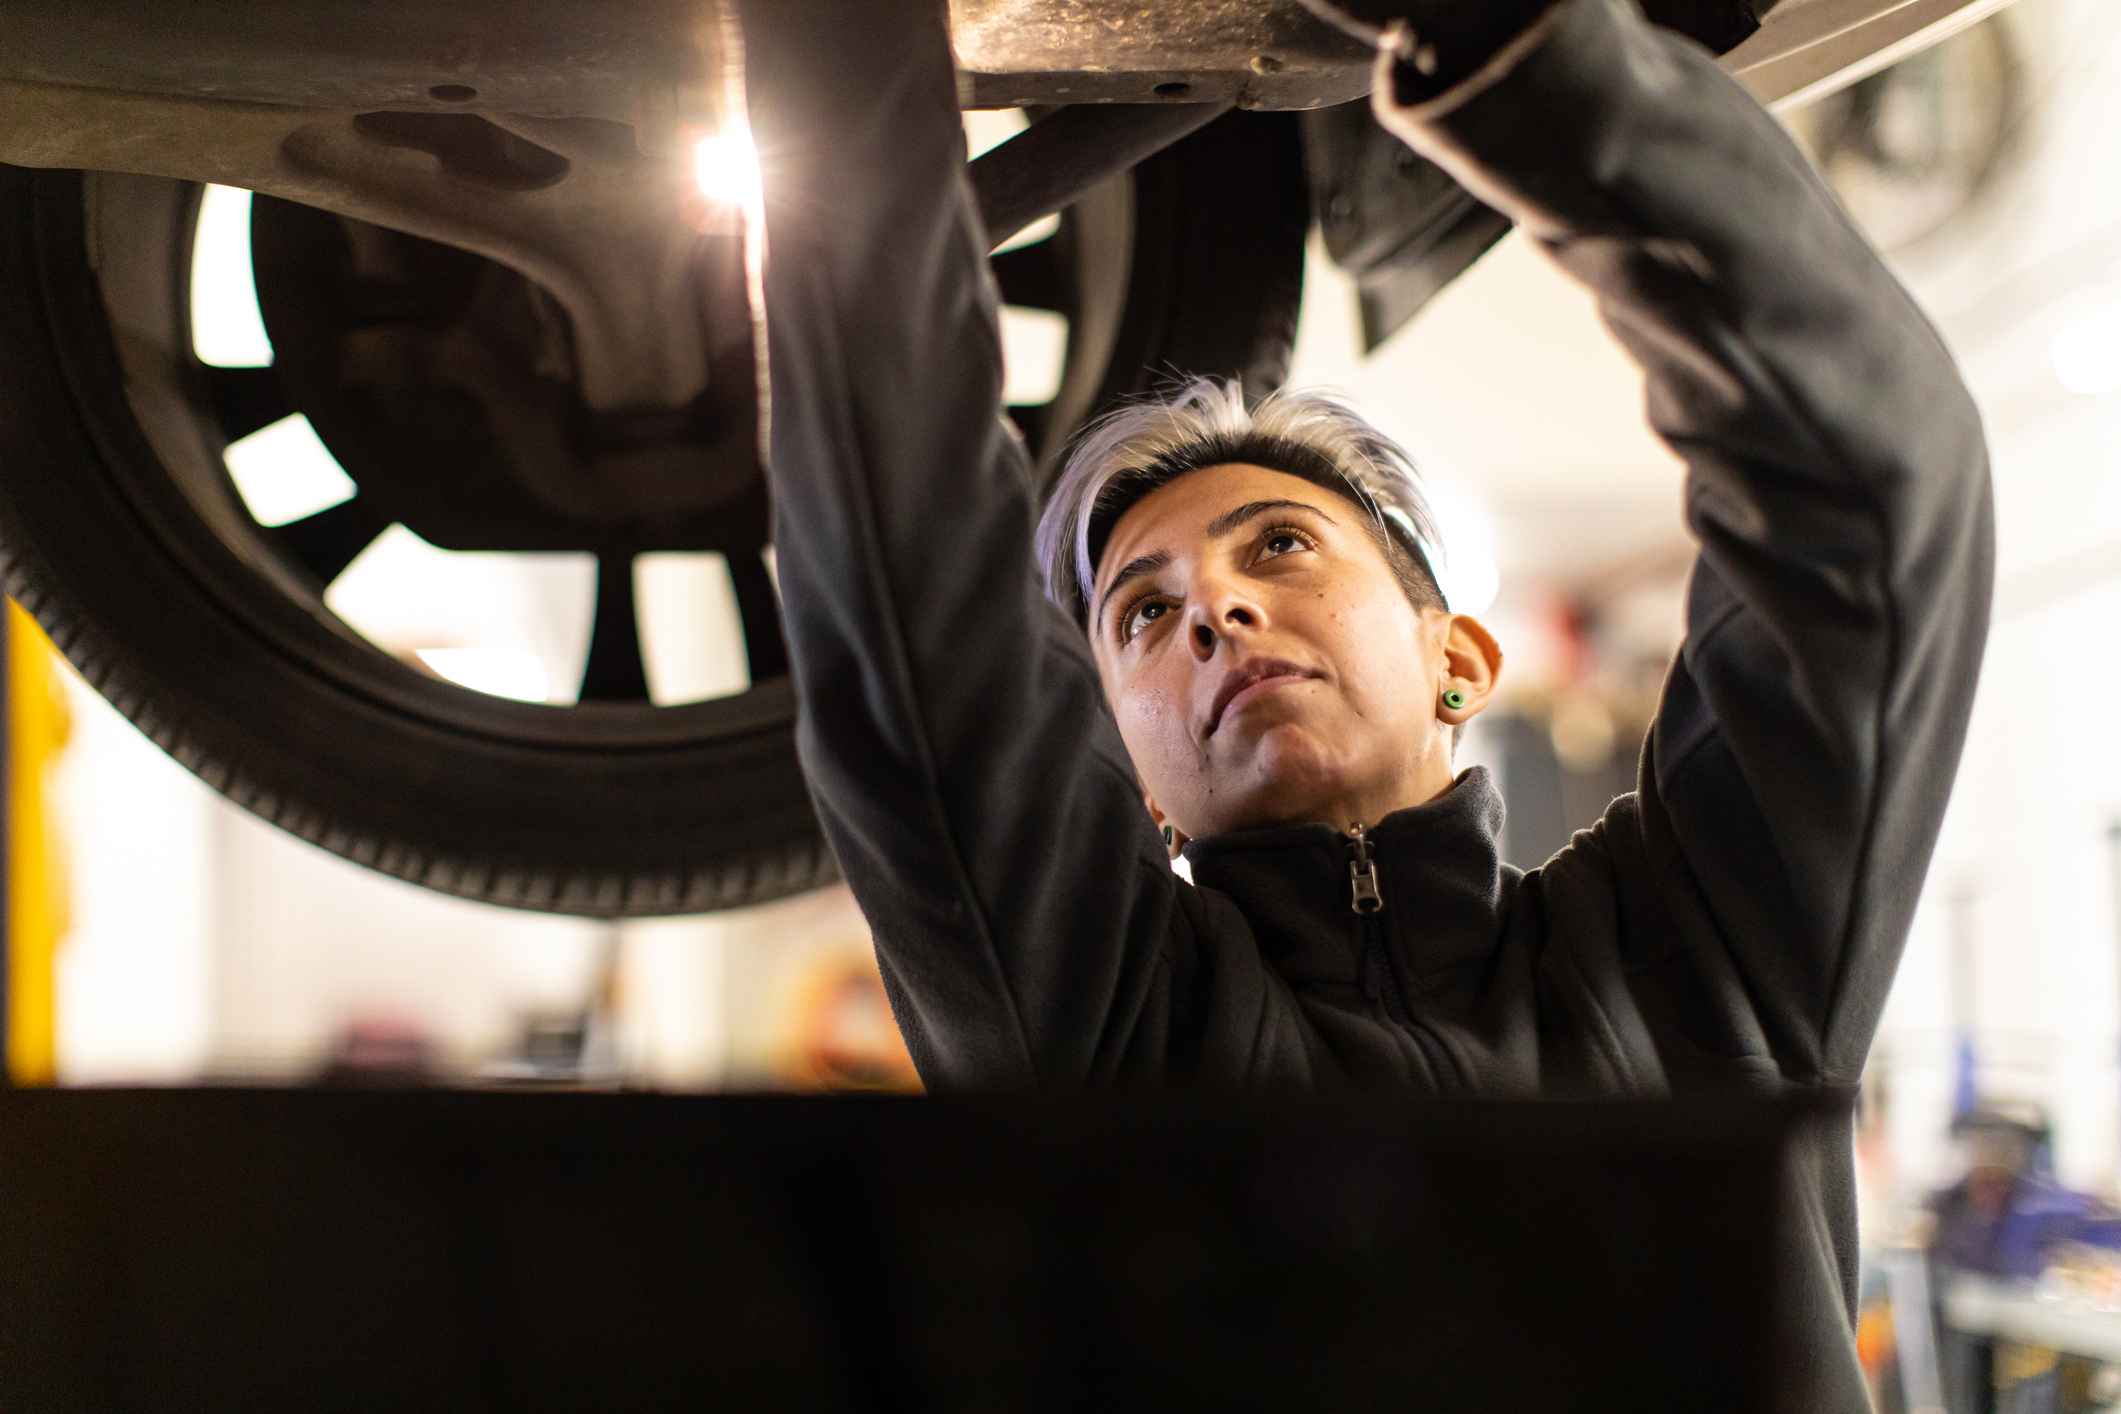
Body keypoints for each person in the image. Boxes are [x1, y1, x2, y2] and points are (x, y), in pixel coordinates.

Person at [738, 0, 1993, 1404]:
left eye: (1279, 544)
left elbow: (1867, 493)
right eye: (1141, 611)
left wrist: (1516, 49)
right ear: (1135, 778)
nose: (1212, 606)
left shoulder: (1695, 955)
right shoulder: (1110, 1029)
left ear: (1455, 659)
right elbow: (909, 627)